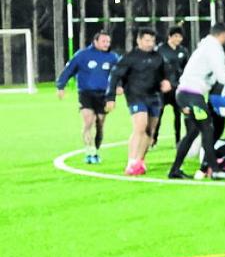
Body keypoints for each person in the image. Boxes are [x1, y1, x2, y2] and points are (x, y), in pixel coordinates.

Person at [169, 22, 225, 180]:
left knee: (193, 132)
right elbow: (222, 77)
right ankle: (215, 170)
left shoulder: (204, 46)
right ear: (224, 34)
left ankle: (175, 170)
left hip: (185, 93)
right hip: (192, 94)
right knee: (208, 129)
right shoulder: (215, 49)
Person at [105, 28, 172, 176]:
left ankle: (140, 160)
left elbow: (166, 73)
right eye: (147, 40)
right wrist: (111, 97)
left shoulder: (158, 57)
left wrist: (167, 81)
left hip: (154, 97)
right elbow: (115, 75)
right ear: (139, 40)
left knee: (150, 131)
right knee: (140, 127)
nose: (150, 44)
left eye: (152, 41)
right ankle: (131, 161)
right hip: (136, 96)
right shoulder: (130, 57)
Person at [55, 30, 120, 164]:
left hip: (104, 95)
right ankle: (89, 151)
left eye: (108, 41)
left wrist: (119, 86)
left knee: (100, 124)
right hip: (86, 94)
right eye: (103, 41)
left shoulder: (113, 58)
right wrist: (61, 86)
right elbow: (69, 70)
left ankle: (95, 149)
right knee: (88, 122)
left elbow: (120, 74)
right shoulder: (82, 55)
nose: (106, 44)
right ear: (95, 42)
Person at [152, 26, 189, 147]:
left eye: (180, 36)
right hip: (163, 88)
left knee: (178, 114)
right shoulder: (160, 50)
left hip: (177, 88)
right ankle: (154, 139)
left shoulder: (183, 51)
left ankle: (178, 140)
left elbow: (186, 69)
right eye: (176, 36)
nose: (178, 39)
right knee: (159, 113)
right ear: (170, 37)